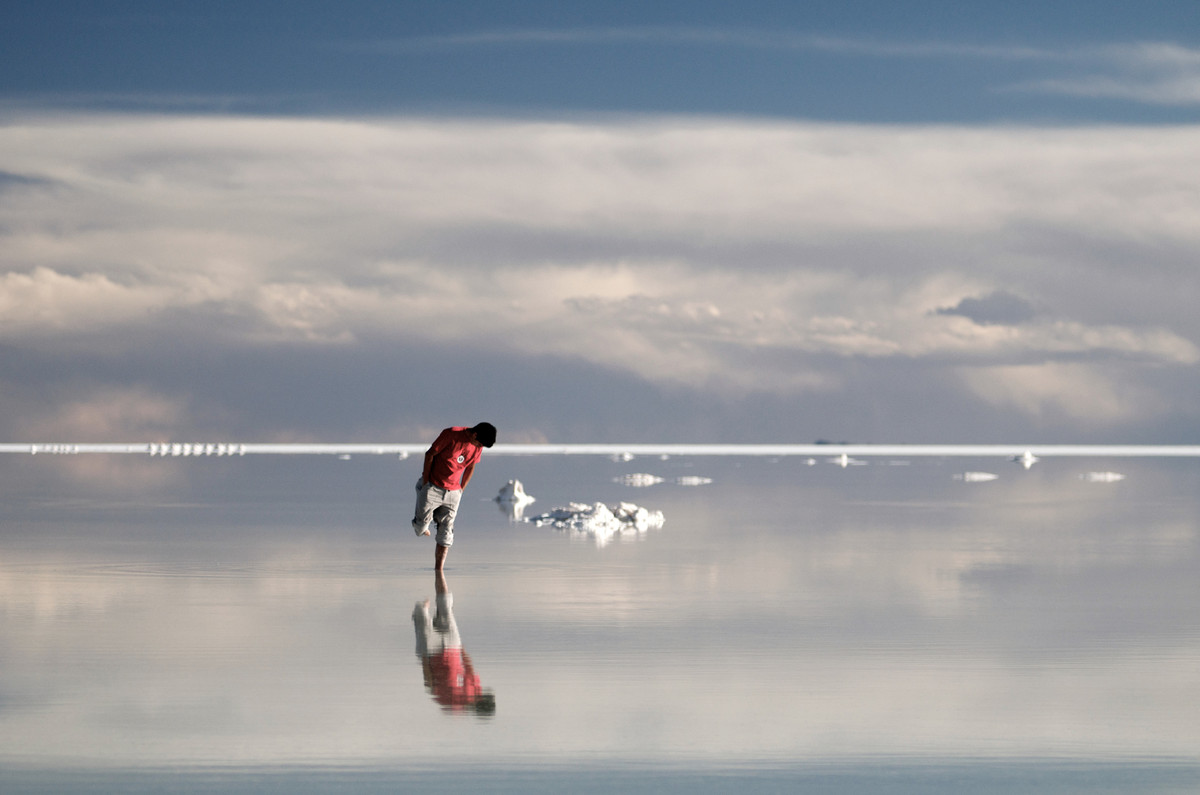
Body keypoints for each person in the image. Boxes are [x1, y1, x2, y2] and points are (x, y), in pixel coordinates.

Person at [412, 422, 496, 571]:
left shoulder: (478, 446)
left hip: (453, 492)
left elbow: (471, 467)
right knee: (420, 528)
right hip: (433, 487)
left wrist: (461, 489)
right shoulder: (451, 434)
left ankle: (439, 570)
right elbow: (430, 454)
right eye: (479, 443)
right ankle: (426, 520)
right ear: (474, 434)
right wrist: (426, 482)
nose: (479, 447)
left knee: (446, 534)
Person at [412, 570, 496, 716]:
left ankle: (421, 598)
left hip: (431, 652)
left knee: (421, 611)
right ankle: (439, 573)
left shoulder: (452, 705)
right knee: (445, 603)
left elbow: (429, 685)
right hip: (452, 645)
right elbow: (469, 668)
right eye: (482, 695)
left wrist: (425, 660)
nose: (480, 694)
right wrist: (461, 648)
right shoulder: (476, 690)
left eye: (481, 698)